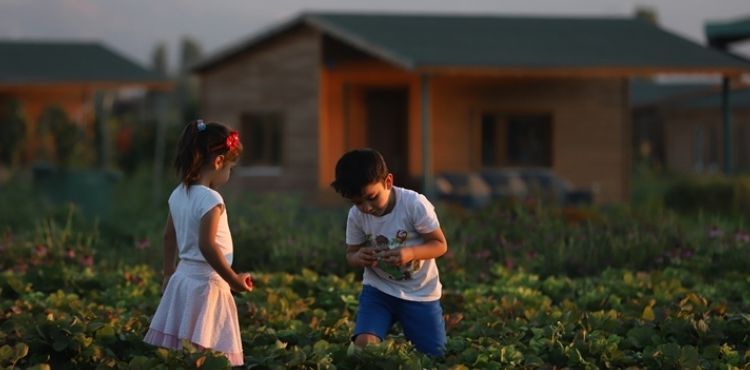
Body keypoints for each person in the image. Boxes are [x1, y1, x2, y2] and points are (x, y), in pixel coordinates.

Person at [144, 119, 252, 367]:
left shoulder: (178, 192)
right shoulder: (211, 199)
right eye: (230, 168)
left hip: (183, 279)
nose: (229, 174)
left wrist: (168, 273)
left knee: (186, 351)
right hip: (207, 285)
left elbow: (168, 236)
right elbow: (207, 245)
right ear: (218, 162)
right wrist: (233, 279)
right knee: (207, 353)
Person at [331, 148, 448, 356]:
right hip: (379, 291)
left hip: (420, 293)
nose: (366, 207)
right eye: (357, 202)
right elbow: (351, 254)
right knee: (364, 348)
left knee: (434, 356)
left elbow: (439, 245)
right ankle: (366, 341)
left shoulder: (414, 204)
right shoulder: (356, 216)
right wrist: (359, 258)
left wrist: (410, 253)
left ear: (388, 182)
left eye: (372, 198)